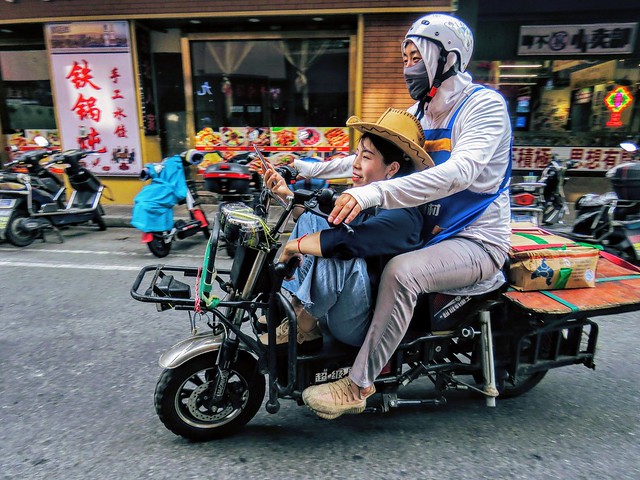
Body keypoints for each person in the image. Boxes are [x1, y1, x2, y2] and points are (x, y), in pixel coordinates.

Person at [300, 13, 513, 420]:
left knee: (401, 271)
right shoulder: (419, 112)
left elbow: (461, 172)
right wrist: (305, 168)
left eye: (415, 56)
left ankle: (359, 384)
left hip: (475, 240)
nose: (407, 67)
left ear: (445, 58)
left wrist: (374, 192)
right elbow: (368, 157)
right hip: (432, 233)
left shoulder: (483, 106)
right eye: (404, 58)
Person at [259, 109, 432, 351]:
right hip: (345, 301)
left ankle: (305, 325)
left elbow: (345, 242)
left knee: (340, 252)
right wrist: (285, 194)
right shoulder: (367, 196)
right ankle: (296, 308)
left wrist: (291, 246)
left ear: (392, 169)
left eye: (367, 157)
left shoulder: (404, 213)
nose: (356, 164)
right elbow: (322, 218)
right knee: (313, 220)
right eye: (357, 154)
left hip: (364, 322)